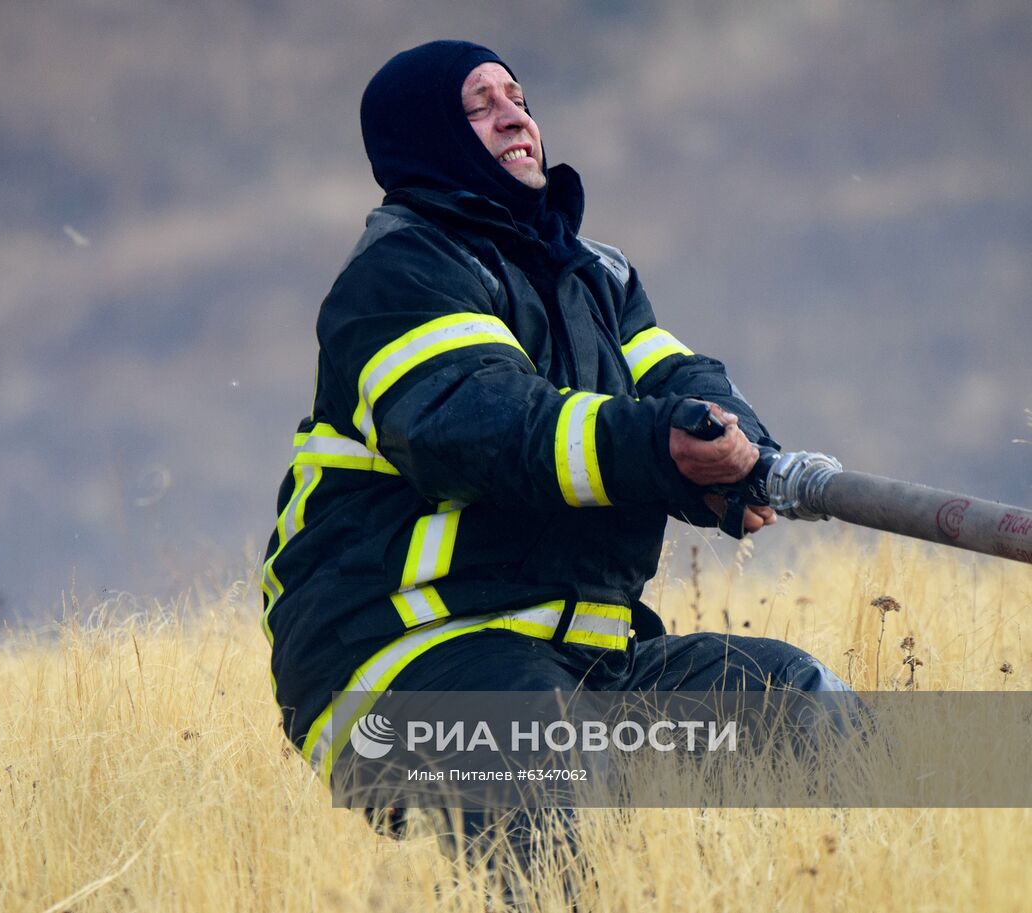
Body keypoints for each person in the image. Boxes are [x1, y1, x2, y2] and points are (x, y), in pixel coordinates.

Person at [260, 38, 851, 896]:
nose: (515, 115)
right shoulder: (400, 275)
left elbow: (678, 383)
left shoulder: (597, 275)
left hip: (583, 665)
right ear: (427, 138)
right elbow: (485, 428)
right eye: (480, 104)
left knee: (799, 702)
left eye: (519, 96)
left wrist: (736, 451)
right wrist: (659, 448)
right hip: (396, 663)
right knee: (531, 740)